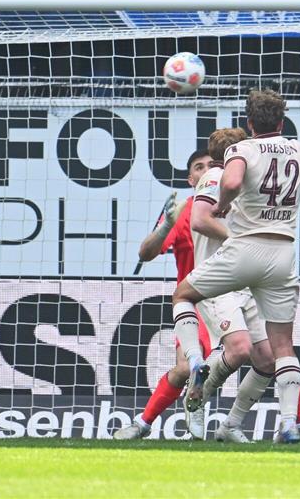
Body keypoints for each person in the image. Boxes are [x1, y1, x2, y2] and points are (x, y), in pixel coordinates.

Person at [172, 89, 300, 444]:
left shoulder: (242, 149)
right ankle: (287, 424)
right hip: (283, 254)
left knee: (183, 294)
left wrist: (223, 203)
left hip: (245, 249)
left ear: (249, 123)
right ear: (282, 122)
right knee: (282, 345)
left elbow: (234, 181)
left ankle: (195, 359)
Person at [187, 127, 300, 443]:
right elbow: (200, 220)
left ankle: (231, 425)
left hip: (251, 279)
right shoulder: (216, 176)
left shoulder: (254, 185)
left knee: (267, 358)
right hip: (220, 279)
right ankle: (197, 398)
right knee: (240, 348)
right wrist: (241, 242)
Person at [114, 150, 213, 440]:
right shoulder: (183, 211)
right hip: (197, 304)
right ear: (191, 178)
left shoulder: (240, 206)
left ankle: (293, 425)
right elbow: (144, 254)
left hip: (237, 300)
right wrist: (167, 226)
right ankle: (143, 424)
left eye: (212, 165)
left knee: (271, 356)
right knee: (185, 367)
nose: (206, 170)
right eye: (199, 167)